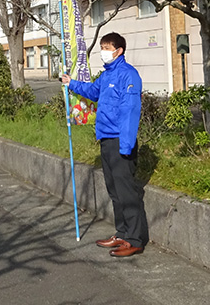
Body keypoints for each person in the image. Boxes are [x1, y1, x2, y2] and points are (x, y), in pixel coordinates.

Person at [62, 32, 148, 257]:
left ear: (119, 51)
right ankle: (121, 233)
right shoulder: (106, 75)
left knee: (127, 192)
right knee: (114, 191)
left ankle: (134, 240)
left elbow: (131, 112)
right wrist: (71, 84)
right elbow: (92, 91)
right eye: (102, 47)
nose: (103, 52)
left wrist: (126, 146)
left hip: (121, 141)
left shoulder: (128, 75)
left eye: (107, 47)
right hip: (106, 140)